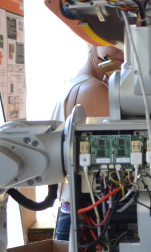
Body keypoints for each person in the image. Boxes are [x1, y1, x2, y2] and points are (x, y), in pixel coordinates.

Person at [51, 43, 124, 241]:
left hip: (73, 213)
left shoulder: (75, 82)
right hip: (88, 219)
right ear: (92, 40)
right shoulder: (93, 89)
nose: (124, 51)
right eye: (116, 42)